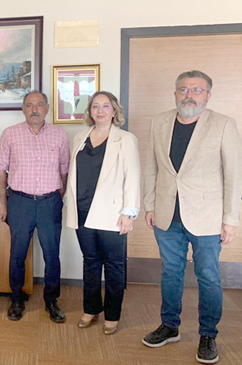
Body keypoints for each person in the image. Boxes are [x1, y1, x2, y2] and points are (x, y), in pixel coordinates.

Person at [142, 70, 242, 364]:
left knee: (208, 277)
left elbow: (234, 176)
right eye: (183, 89)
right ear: (175, 94)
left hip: (207, 217)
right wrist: (149, 204)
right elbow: (152, 167)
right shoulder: (159, 122)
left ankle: (208, 334)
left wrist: (231, 218)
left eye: (197, 90)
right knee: (170, 273)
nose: (189, 94)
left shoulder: (224, 124)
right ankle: (170, 326)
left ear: (208, 95)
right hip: (166, 214)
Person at [65, 91, 141, 335]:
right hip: (82, 211)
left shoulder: (125, 139)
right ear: (89, 111)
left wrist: (129, 212)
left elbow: (133, 177)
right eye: (95, 106)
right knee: (90, 262)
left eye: (105, 106)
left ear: (114, 110)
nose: (100, 110)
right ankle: (90, 309)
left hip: (112, 213)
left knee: (115, 266)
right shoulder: (79, 137)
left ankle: (112, 314)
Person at [0, 90, 70, 322]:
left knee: (52, 254)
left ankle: (51, 300)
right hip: (20, 202)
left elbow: (65, 170)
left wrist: (58, 196)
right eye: (29, 105)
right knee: (17, 253)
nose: (34, 109)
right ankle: (17, 299)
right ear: (23, 109)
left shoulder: (60, 135)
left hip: (50, 203)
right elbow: (1, 169)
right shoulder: (10, 134)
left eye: (39, 105)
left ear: (47, 108)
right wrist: (3, 202)